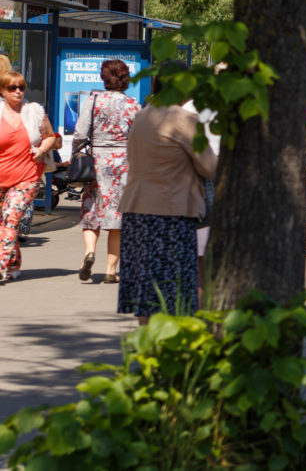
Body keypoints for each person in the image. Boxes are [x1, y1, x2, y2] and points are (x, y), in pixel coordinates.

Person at [117, 71, 217, 323]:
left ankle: (147, 349)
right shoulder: (185, 120)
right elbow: (209, 167)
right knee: (176, 290)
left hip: (137, 210)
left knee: (146, 290)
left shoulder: (141, 116)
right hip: (172, 212)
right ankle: (171, 353)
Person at [73, 59, 141, 284]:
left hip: (97, 164)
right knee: (117, 218)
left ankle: (88, 254)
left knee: (91, 211)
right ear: (125, 79)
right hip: (123, 164)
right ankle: (111, 270)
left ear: (104, 78)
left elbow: (80, 133)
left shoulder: (94, 100)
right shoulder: (133, 104)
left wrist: (76, 154)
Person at [0, 70, 57, 283]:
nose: (18, 92)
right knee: (5, 223)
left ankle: (1, 263)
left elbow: (51, 137)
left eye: (21, 87)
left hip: (27, 176)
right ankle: (13, 264)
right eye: (12, 88)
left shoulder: (34, 112)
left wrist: (41, 150)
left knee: (11, 218)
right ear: (2, 91)